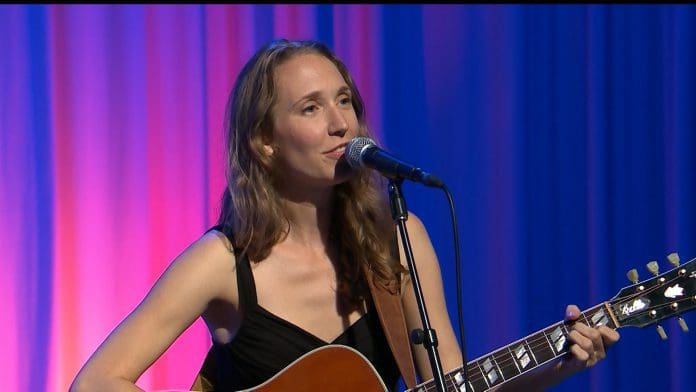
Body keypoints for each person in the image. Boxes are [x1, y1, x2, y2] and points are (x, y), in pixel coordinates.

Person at [70, 38, 620, 392]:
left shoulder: (399, 241)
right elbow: (95, 381)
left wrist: (559, 365)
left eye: (344, 101)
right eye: (311, 107)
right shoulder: (223, 261)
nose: (341, 124)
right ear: (264, 140)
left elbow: (449, 385)